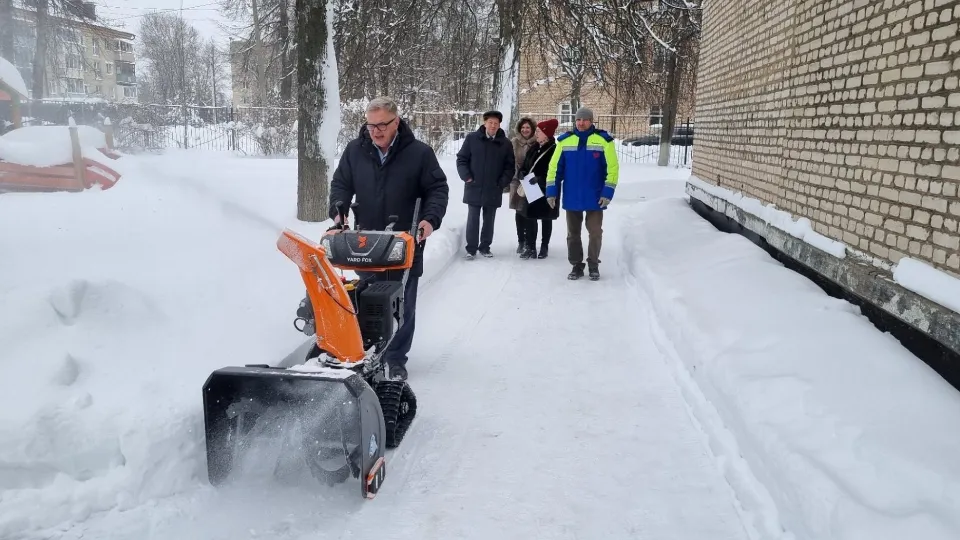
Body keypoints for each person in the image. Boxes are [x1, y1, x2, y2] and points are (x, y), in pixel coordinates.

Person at [328, 96, 449, 381]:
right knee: (366, 298)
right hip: (366, 241)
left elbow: (437, 189)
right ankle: (368, 352)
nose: (376, 131)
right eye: (371, 125)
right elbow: (341, 184)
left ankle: (395, 359)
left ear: (396, 122)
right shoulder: (355, 151)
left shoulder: (419, 153)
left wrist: (429, 220)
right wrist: (338, 211)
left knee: (401, 302)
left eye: (382, 125)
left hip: (405, 240)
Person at [544, 107, 619, 281]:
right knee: (573, 234)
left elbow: (612, 169)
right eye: (578, 119)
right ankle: (576, 265)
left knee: (595, 232)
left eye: (585, 119)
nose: (581, 123)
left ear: (591, 121)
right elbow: (554, 169)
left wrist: (607, 192)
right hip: (573, 195)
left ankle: (593, 264)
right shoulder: (565, 141)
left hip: (595, 196)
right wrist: (551, 192)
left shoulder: (604, 140)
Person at [455, 110, 515, 259]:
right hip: (474, 185)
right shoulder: (472, 139)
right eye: (490, 122)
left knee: (489, 219)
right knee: (473, 219)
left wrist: (501, 182)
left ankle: (485, 247)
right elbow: (462, 159)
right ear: (485, 123)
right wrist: (467, 177)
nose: (493, 126)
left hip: (493, 187)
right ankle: (471, 249)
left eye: (496, 123)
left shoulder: (505, 143)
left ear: (499, 125)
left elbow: (510, 167)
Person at [515, 118, 560, 259]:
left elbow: (556, 170)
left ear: (546, 134)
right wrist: (522, 172)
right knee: (531, 216)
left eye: (539, 131)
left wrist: (540, 179)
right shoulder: (534, 147)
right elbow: (526, 165)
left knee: (546, 217)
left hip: (547, 188)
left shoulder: (554, 149)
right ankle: (531, 247)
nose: (536, 133)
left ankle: (544, 246)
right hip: (532, 187)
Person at [510, 117, 537, 253]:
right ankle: (521, 241)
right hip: (517, 180)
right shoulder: (514, 142)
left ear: (532, 129)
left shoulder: (537, 142)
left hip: (532, 181)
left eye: (528, 127)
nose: (525, 130)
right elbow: (509, 160)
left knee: (531, 212)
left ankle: (530, 242)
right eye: (523, 128)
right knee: (519, 211)